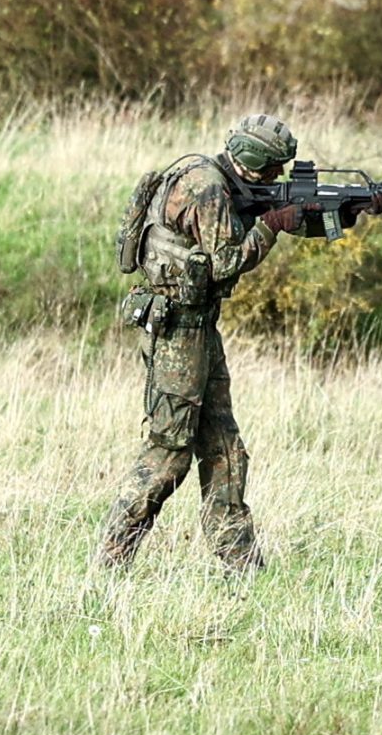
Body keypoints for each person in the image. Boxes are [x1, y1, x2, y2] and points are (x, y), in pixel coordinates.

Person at [97, 112, 362, 572]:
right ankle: (111, 557)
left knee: (224, 448)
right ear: (256, 163)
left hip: (198, 330)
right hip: (178, 332)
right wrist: (272, 225)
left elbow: (288, 215)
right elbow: (225, 262)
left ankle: (240, 561)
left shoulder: (223, 181)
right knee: (170, 452)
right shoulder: (207, 188)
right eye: (275, 168)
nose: (279, 176)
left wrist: (351, 213)